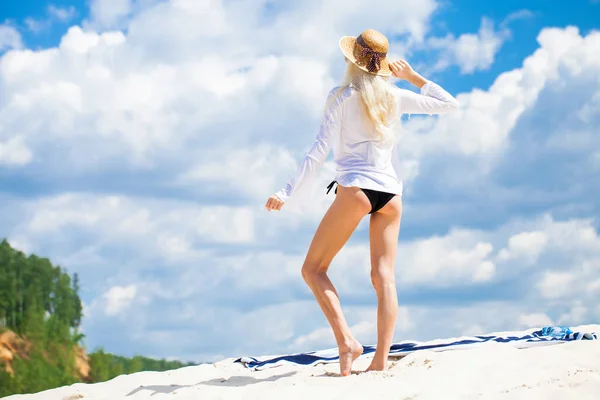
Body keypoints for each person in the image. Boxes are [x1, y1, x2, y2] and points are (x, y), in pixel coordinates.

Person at [264, 29, 459, 376]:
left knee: (313, 269)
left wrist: (286, 191)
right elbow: (449, 104)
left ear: (350, 61)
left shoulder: (341, 97)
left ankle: (347, 342)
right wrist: (413, 77)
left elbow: (318, 149)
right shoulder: (395, 97)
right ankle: (379, 362)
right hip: (391, 194)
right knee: (384, 277)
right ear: (381, 65)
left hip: (356, 189)